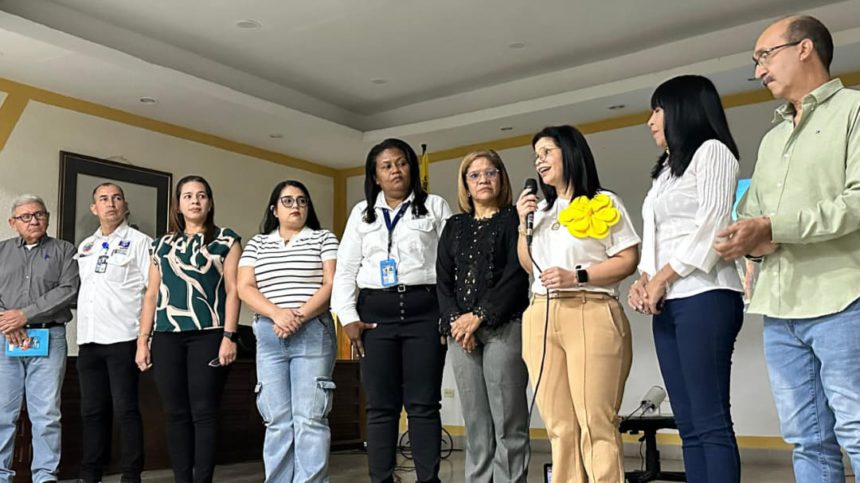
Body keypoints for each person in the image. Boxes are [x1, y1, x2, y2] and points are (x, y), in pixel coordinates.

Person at [714, 15, 860, 481]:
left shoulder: (854, 111)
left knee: (856, 429)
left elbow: (856, 203)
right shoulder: (773, 138)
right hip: (779, 309)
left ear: (804, 49)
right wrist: (742, 238)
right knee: (805, 439)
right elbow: (752, 212)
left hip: (843, 298)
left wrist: (772, 226)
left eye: (765, 55)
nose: (758, 70)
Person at [628, 75, 744, 482]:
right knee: (689, 424)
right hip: (670, 302)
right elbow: (658, 236)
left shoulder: (713, 152)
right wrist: (644, 279)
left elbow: (711, 229)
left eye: (657, 110)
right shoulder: (664, 170)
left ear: (683, 110)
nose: (650, 121)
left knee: (711, 421)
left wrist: (661, 278)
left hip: (706, 296)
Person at [515, 125, 640, 482]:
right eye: (536, 155)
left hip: (590, 308)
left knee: (595, 419)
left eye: (547, 152)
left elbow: (627, 259)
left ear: (569, 152)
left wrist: (578, 276)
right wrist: (521, 222)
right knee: (558, 424)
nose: (539, 161)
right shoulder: (539, 211)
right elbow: (529, 264)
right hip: (541, 312)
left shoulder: (603, 201)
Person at [332, 138, 452, 483]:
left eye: (401, 163)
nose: (395, 170)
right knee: (380, 407)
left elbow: (451, 266)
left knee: (423, 405)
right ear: (375, 175)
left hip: (425, 315)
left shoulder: (435, 207)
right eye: (386, 166)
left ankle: (429, 479)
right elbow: (346, 269)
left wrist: (448, 316)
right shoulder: (361, 213)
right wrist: (348, 319)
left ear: (411, 168)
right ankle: (381, 479)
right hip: (375, 318)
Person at [135, 175, 241, 483]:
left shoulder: (227, 240)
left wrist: (229, 336)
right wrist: (144, 340)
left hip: (210, 334)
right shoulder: (162, 244)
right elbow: (151, 294)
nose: (195, 201)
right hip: (167, 336)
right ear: (178, 205)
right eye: (188, 196)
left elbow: (234, 290)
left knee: (204, 412)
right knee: (175, 413)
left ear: (210, 203)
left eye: (201, 195)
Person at [436, 150, 530, 482]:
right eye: (474, 175)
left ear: (501, 178)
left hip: (505, 327)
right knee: (475, 421)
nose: (483, 180)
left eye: (491, 172)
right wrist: (456, 322)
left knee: (508, 421)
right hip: (461, 333)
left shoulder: (512, 220)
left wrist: (478, 316)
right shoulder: (454, 226)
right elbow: (443, 281)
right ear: (465, 184)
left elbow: (516, 276)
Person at [237, 180, 339, 482]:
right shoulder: (258, 243)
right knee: (277, 420)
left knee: (310, 419)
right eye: (288, 201)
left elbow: (330, 284)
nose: (296, 206)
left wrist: (299, 316)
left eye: (302, 201)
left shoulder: (323, 238)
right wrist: (278, 314)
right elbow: (244, 286)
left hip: (313, 332)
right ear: (274, 209)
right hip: (269, 335)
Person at [0, 194, 79, 483]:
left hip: (49, 337)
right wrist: (8, 321)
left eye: (39, 214)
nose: (34, 220)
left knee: (46, 413)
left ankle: (45, 476)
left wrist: (24, 315)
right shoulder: (1, 251)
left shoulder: (65, 251)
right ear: (13, 222)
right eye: (26, 216)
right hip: (5, 339)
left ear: (47, 217)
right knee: (2, 413)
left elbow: (67, 290)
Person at [75, 183, 151, 483]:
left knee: (126, 410)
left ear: (125, 205)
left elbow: (151, 293)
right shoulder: (86, 246)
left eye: (116, 198)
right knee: (92, 411)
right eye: (103, 199)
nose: (111, 204)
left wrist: (145, 340)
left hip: (123, 338)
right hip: (88, 341)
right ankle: (90, 473)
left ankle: (131, 475)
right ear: (94, 208)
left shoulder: (140, 242)